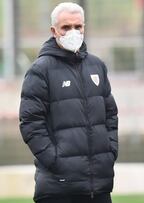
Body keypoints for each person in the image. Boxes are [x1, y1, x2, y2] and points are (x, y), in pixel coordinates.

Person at [19, 2, 118, 203]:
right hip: (58, 188)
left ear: (84, 28)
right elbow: (30, 123)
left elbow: (110, 114)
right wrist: (56, 161)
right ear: (54, 31)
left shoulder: (97, 66)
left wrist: (110, 151)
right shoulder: (40, 70)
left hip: (99, 186)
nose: (73, 32)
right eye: (66, 27)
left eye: (77, 26)